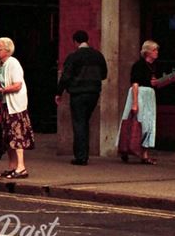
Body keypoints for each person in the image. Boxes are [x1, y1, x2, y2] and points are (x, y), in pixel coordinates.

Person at [55, 30, 108, 165]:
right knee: (85, 122)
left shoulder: (74, 57)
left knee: (79, 123)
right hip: (93, 93)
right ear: (87, 40)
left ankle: (81, 156)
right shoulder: (98, 56)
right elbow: (104, 74)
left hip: (78, 93)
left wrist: (59, 92)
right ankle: (85, 154)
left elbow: (65, 76)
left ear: (75, 42)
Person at [0, 37, 34, 179]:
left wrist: (1, 90)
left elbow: (18, 85)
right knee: (7, 136)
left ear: (8, 51)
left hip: (15, 106)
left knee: (17, 136)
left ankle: (21, 167)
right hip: (3, 106)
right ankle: (12, 167)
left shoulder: (13, 63)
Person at [119, 40, 161, 164]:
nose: (156, 52)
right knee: (137, 122)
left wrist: (156, 83)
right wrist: (135, 103)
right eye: (154, 50)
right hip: (140, 94)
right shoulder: (139, 65)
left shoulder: (154, 66)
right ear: (147, 52)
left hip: (149, 95)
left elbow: (152, 81)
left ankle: (144, 153)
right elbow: (135, 83)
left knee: (148, 124)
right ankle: (126, 148)